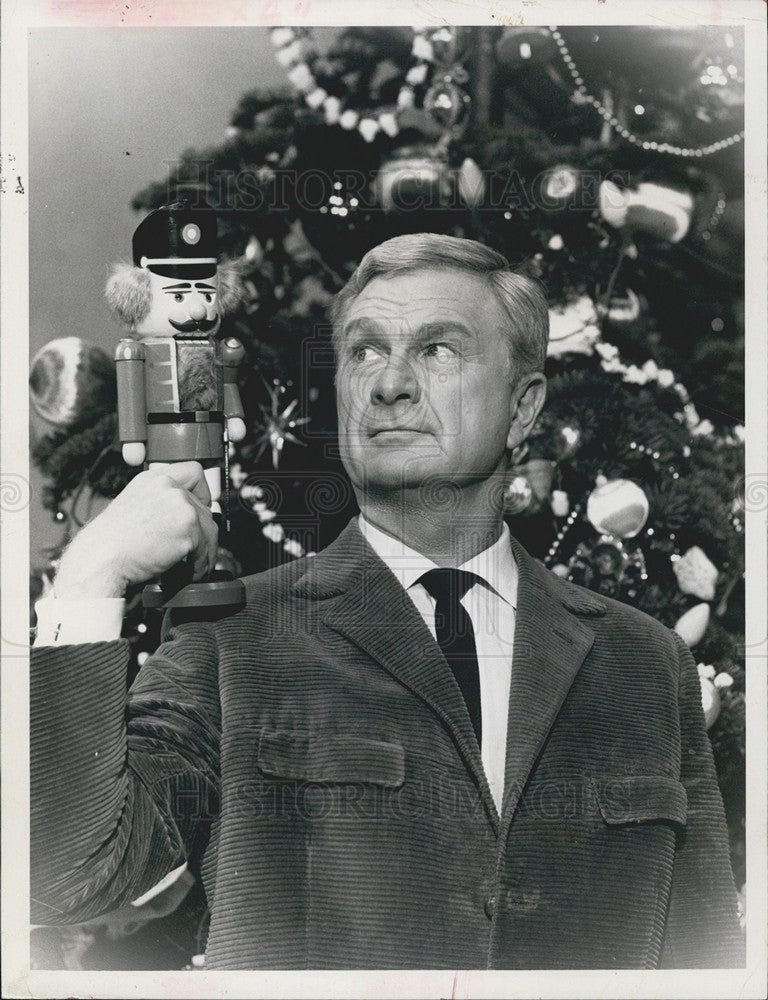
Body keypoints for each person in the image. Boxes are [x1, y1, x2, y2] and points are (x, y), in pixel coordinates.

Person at [31, 234, 744, 970]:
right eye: (365, 352)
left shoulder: (644, 662)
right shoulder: (233, 636)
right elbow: (64, 875)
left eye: (438, 350)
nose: (389, 384)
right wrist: (90, 576)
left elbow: (708, 961)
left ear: (524, 409)